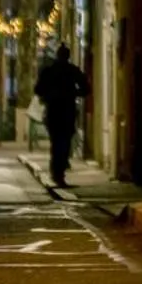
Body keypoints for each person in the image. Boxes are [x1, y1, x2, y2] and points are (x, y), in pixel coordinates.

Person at [33, 44, 89, 186]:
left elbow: (38, 89)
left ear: (57, 55)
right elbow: (86, 88)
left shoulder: (48, 71)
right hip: (67, 109)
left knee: (56, 141)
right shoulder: (72, 70)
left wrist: (49, 95)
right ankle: (60, 171)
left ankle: (56, 170)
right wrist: (73, 93)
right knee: (64, 142)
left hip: (53, 110)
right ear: (68, 56)